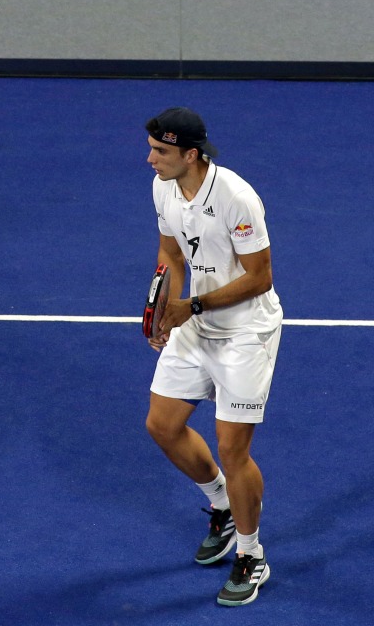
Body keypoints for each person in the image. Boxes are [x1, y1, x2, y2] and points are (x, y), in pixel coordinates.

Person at [143, 107, 282, 606]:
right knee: (162, 425)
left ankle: (251, 553)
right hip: (193, 323)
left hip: (246, 333)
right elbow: (171, 255)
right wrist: (165, 306)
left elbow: (259, 277)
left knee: (232, 447)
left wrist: (190, 305)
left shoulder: (236, 198)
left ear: (191, 154)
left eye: (161, 151)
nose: (150, 159)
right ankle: (222, 504)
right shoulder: (164, 187)